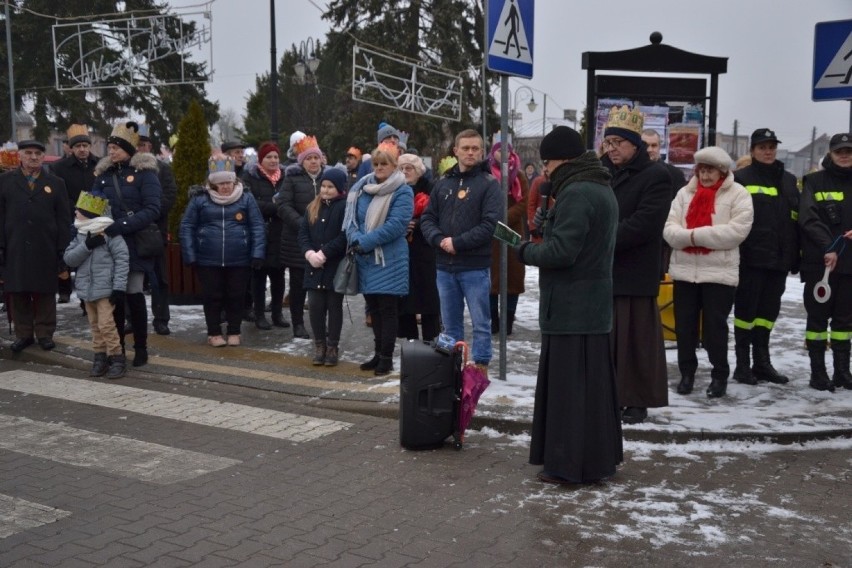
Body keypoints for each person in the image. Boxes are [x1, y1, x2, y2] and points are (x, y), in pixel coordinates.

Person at [516, 125, 622, 485]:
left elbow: (562, 253)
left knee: (569, 394)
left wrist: (524, 250)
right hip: (589, 309)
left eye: (548, 163)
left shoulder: (577, 192)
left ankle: (567, 465)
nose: (545, 171)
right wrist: (548, 222)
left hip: (572, 308)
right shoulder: (598, 187)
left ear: (563, 161)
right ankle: (593, 462)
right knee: (590, 394)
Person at [663, 147, 754, 398]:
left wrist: (692, 236)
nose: (704, 175)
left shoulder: (738, 194)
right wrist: (689, 237)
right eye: (701, 170)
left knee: (715, 328)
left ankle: (719, 375)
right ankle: (687, 373)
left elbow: (736, 232)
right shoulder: (684, 193)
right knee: (685, 327)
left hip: (719, 274)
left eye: (710, 170)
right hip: (685, 272)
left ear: (722, 171)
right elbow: (669, 230)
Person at [600, 106, 671, 424]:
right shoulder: (602, 172)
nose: (612, 148)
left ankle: (638, 399)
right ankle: (610, 395)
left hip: (636, 268)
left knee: (637, 340)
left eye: (618, 142)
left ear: (634, 144)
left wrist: (600, 238)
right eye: (608, 141)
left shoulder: (656, 176)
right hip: (604, 270)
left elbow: (645, 223)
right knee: (610, 338)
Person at [421, 129, 502, 375]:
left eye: (475, 148)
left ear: (482, 151)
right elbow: (427, 218)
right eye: (465, 148)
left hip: (475, 267)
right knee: (450, 324)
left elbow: (490, 226)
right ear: (455, 150)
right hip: (445, 266)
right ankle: (451, 367)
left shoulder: (489, 185)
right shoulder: (442, 183)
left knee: (481, 322)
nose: (470, 152)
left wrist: (457, 243)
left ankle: (480, 367)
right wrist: (439, 239)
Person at [732, 128, 800, 387]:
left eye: (771, 146)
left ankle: (761, 363)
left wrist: (795, 255)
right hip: (751, 260)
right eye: (762, 147)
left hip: (779, 261)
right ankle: (741, 365)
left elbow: (794, 220)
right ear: (752, 151)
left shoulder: (789, 180)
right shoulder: (740, 178)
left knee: (768, 314)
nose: (768, 151)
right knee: (745, 314)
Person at [93, 121, 162, 367]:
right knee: (115, 298)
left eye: (116, 148)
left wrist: (121, 226)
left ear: (129, 150)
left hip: (134, 243)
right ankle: (118, 349)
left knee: (133, 293)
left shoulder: (146, 175)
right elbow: (91, 205)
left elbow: (153, 208)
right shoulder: (103, 176)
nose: (111, 152)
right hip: (108, 245)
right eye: (109, 147)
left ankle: (141, 347)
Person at [344, 142, 414, 376]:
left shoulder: (403, 190)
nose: (380, 167)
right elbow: (352, 220)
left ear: (394, 165)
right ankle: (377, 354)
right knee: (373, 308)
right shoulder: (362, 187)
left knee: (388, 309)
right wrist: (354, 237)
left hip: (390, 258)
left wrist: (364, 242)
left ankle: (387, 357)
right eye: (376, 163)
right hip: (366, 258)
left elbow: (396, 226)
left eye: (384, 163)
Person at [180, 157, 265, 347]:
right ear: (212, 184)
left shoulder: (246, 197)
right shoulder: (200, 199)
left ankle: (234, 330)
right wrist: (190, 254)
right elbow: (187, 226)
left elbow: (257, 226)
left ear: (234, 181)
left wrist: (257, 253)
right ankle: (214, 332)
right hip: (208, 259)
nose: (225, 187)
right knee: (212, 296)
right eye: (220, 183)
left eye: (228, 182)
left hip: (239, 258)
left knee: (236, 296)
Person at [0, 140, 71, 352]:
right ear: (19, 155)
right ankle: (24, 334)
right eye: (28, 153)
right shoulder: (4, 181)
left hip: (45, 246)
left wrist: (62, 248)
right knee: (18, 291)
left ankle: (44, 333)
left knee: (46, 291)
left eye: (38, 153)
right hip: (15, 245)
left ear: (43, 156)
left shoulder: (56, 183)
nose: (33, 157)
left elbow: (63, 219)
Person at [799, 133, 852, 392]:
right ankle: (818, 373)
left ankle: (843, 372)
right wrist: (830, 247)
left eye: (849, 151)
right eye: (840, 151)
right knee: (817, 321)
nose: (844, 155)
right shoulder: (813, 181)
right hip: (820, 264)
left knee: (845, 322)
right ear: (830, 153)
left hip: (850, 265)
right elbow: (808, 218)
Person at [63, 190, 129, 379]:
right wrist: (87, 246)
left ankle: (116, 357)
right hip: (87, 289)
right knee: (94, 325)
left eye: (79, 209)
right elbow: (69, 259)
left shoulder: (110, 234)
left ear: (90, 213)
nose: (75, 212)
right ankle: (100, 356)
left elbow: (122, 261)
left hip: (106, 289)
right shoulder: (80, 233)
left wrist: (118, 287)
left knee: (106, 324)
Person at [277, 135, 329, 340]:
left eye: (316, 157)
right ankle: (298, 323)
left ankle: (320, 324)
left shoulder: (329, 177)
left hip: (323, 240)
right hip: (298, 240)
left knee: (322, 286)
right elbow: (283, 205)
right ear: (302, 161)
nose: (313, 161)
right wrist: (303, 225)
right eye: (309, 158)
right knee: (298, 286)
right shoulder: (292, 178)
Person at [298, 167, 348, 366]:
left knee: (334, 306)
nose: (326, 190)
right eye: (324, 186)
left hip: (334, 266)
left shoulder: (344, 207)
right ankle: (319, 344)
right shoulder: (312, 207)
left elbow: (344, 235)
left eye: (330, 187)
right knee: (316, 306)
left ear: (339, 188)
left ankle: (333, 345)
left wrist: (325, 253)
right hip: (313, 266)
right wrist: (309, 253)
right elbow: (303, 233)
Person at [51, 124, 100, 305]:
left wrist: (91, 212)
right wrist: (77, 210)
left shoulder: (99, 164)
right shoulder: (59, 167)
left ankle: (86, 299)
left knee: (91, 260)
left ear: (89, 147)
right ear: (71, 148)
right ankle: (65, 291)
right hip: (70, 217)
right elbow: (60, 194)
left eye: (85, 146)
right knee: (69, 256)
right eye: (78, 146)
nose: (82, 149)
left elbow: (101, 189)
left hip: (96, 218)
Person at [240, 141, 287, 332]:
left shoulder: (285, 177)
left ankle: (277, 313)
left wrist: (274, 208)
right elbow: (250, 203)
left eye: (276, 156)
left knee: (279, 277)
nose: (273, 160)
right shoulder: (250, 177)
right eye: (269, 157)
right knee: (259, 277)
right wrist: (276, 208)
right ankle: (259, 314)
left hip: (280, 233)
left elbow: (288, 201)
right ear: (261, 159)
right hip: (259, 234)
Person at [137, 124, 177, 336]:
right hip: (130, 232)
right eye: (134, 145)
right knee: (129, 279)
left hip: (155, 231)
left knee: (159, 279)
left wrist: (148, 211)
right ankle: (130, 319)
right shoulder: (123, 169)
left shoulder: (162, 169)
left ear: (149, 146)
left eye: (142, 145)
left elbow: (170, 196)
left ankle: (161, 318)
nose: (138, 149)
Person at [397, 153, 441, 342]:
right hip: (402, 252)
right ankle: (410, 343)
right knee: (405, 299)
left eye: (409, 168)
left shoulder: (430, 189)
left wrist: (418, 221)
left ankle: (432, 341)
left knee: (429, 298)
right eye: (401, 168)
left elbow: (436, 214)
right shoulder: (396, 189)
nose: (405, 172)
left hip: (426, 250)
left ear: (419, 171)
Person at [487, 140, 527, 335]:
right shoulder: (486, 175)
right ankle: (494, 322)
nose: (502, 154)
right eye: (498, 150)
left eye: (506, 151)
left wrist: (503, 219)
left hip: (512, 233)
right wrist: (491, 221)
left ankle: (508, 323)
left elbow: (523, 203)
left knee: (513, 278)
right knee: (492, 281)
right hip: (490, 235)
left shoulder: (518, 175)